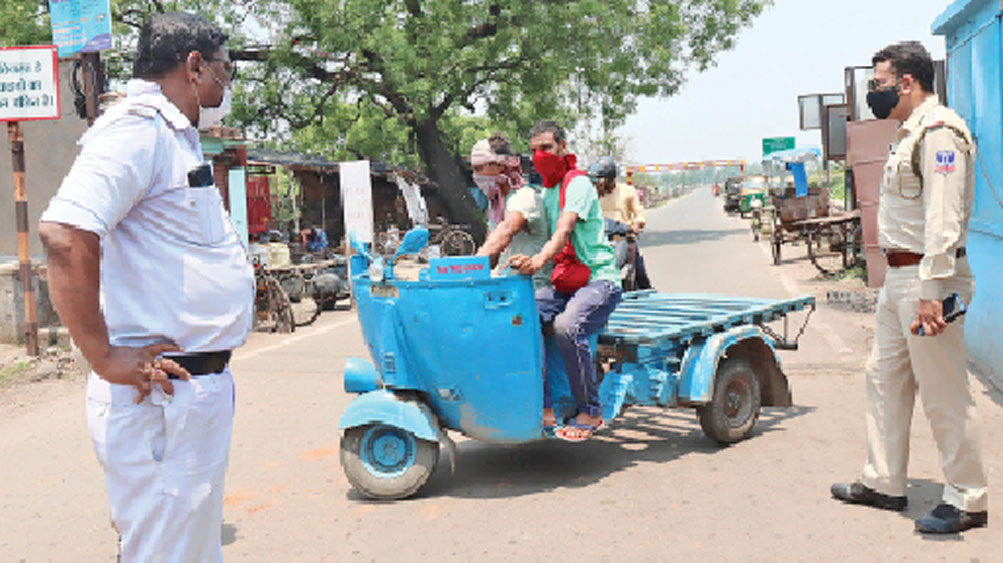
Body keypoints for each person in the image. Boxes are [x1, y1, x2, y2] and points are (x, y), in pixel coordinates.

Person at [37, 12, 253, 560]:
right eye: (224, 69)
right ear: (195, 65)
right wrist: (105, 357)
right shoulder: (137, 128)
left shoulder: (174, 137)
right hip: (160, 401)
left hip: (186, 395)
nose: (226, 84)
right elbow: (64, 234)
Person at [830, 41, 987, 534]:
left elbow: (943, 220)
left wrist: (932, 291)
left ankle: (967, 498)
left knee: (943, 390)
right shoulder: (908, 134)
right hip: (898, 277)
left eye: (878, 84)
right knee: (884, 378)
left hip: (927, 279)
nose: (873, 95)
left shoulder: (940, 133)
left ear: (906, 82)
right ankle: (883, 482)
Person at [508, 120, 622, 442]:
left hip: (599, 280)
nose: (539, 155)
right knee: (520, 318)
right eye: (533, 151)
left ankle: (591, 410)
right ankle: (545, 407)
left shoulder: (578, 184)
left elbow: (563, 230)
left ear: (562, 146)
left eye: (545, 148)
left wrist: (538, 261)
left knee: (566, 327)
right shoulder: (546, 191)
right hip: (567, 282)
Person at [472, 134, 552, 288]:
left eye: (479, 168)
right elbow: (491, 258)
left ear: (501, 165)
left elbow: (507, 230)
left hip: (534, 289)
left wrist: (468, 269)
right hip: (508, 286)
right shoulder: (495, 206)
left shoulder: (524, 196)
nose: (476, 176)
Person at [590, 156, 653, 290]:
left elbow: (639, 212)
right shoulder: (593, 194)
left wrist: (637, 223)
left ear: (610, 177)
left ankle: (647, 296)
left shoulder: (627, 191)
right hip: (600, 242)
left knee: (640, 274)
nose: (599, 182)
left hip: (624, 239)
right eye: (597, 178)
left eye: (602, 178)